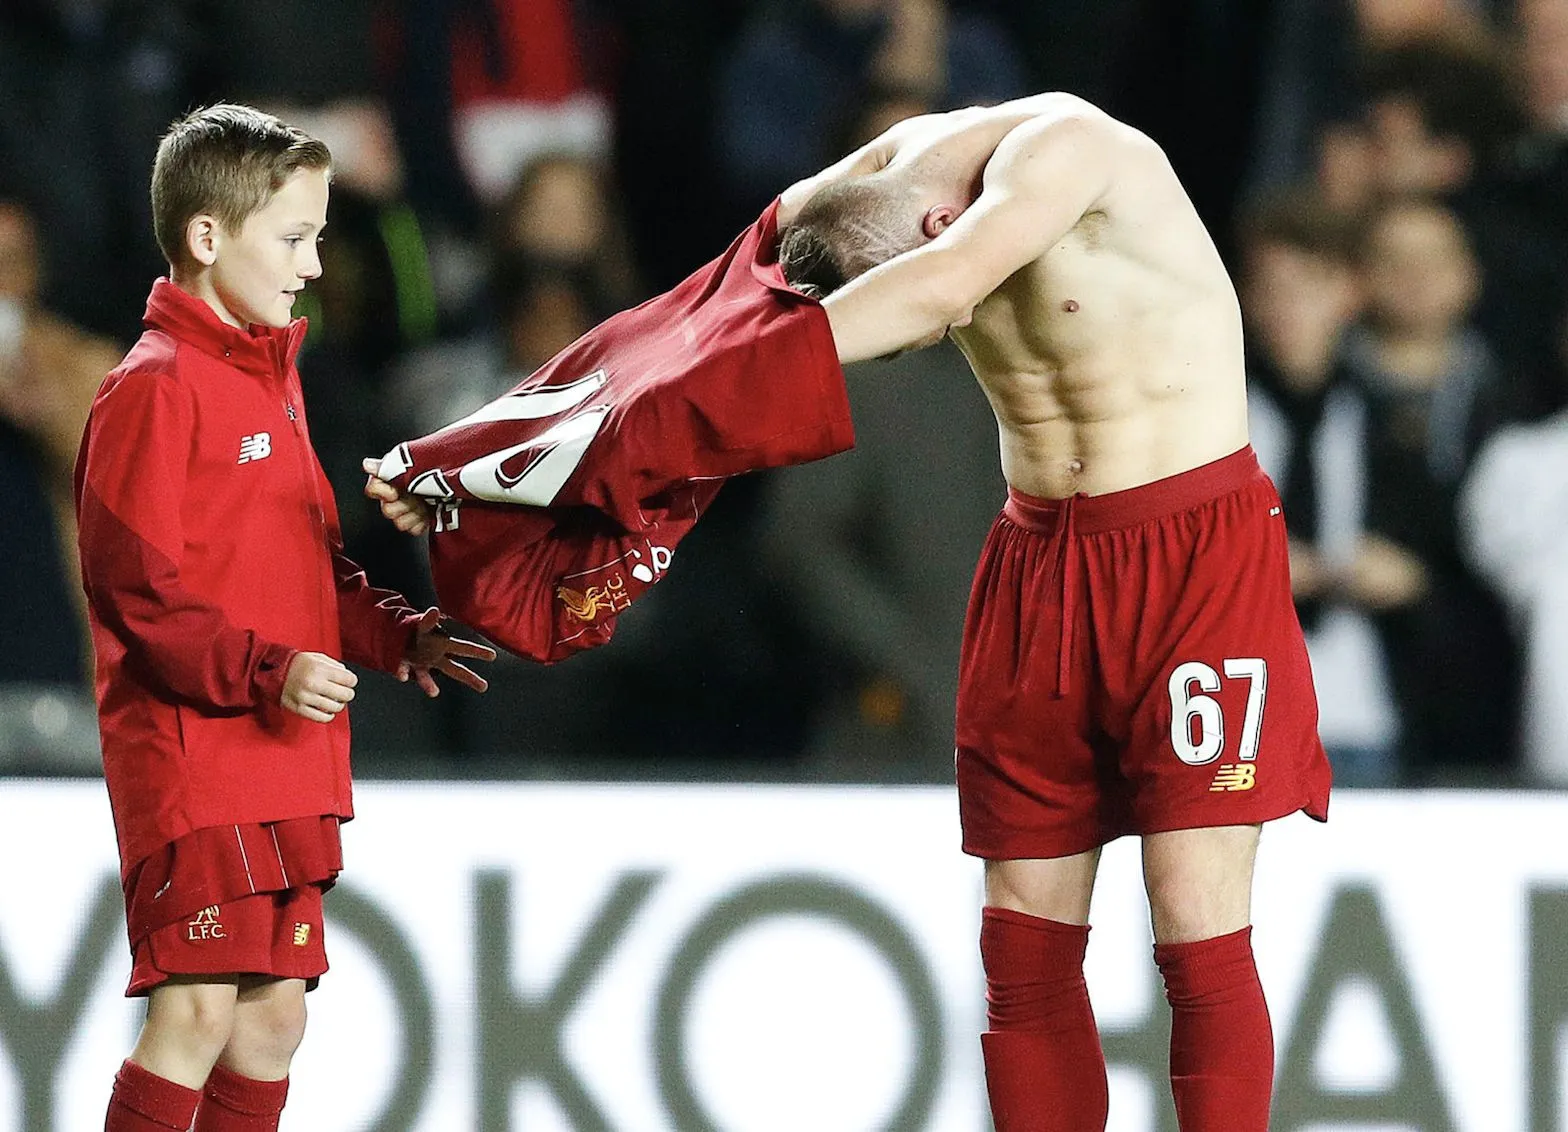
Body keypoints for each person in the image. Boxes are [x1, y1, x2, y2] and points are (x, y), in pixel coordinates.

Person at [777, 93, 1333, 1131]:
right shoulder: (866, 196)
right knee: (1021, 938)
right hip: (1037, 559)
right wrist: (546, 422)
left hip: (1189, 547)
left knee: (1192, 912)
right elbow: (725, 293)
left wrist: (708, 387)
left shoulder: (1071, 147)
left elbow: (935, 284)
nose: (920, 331)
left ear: (933, 218)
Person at [75, 105, 495, 1132]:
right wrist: (270, 671)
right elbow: (137, 597)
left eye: (316, 237)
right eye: (293, 238)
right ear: (207, 238)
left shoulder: (273, 379)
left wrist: (398, 631)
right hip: (195, 753)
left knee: (270, 1028)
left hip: (283, 748)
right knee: (195, 1009)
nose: (313, 263)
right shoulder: (153, 389)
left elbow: (311, 564)